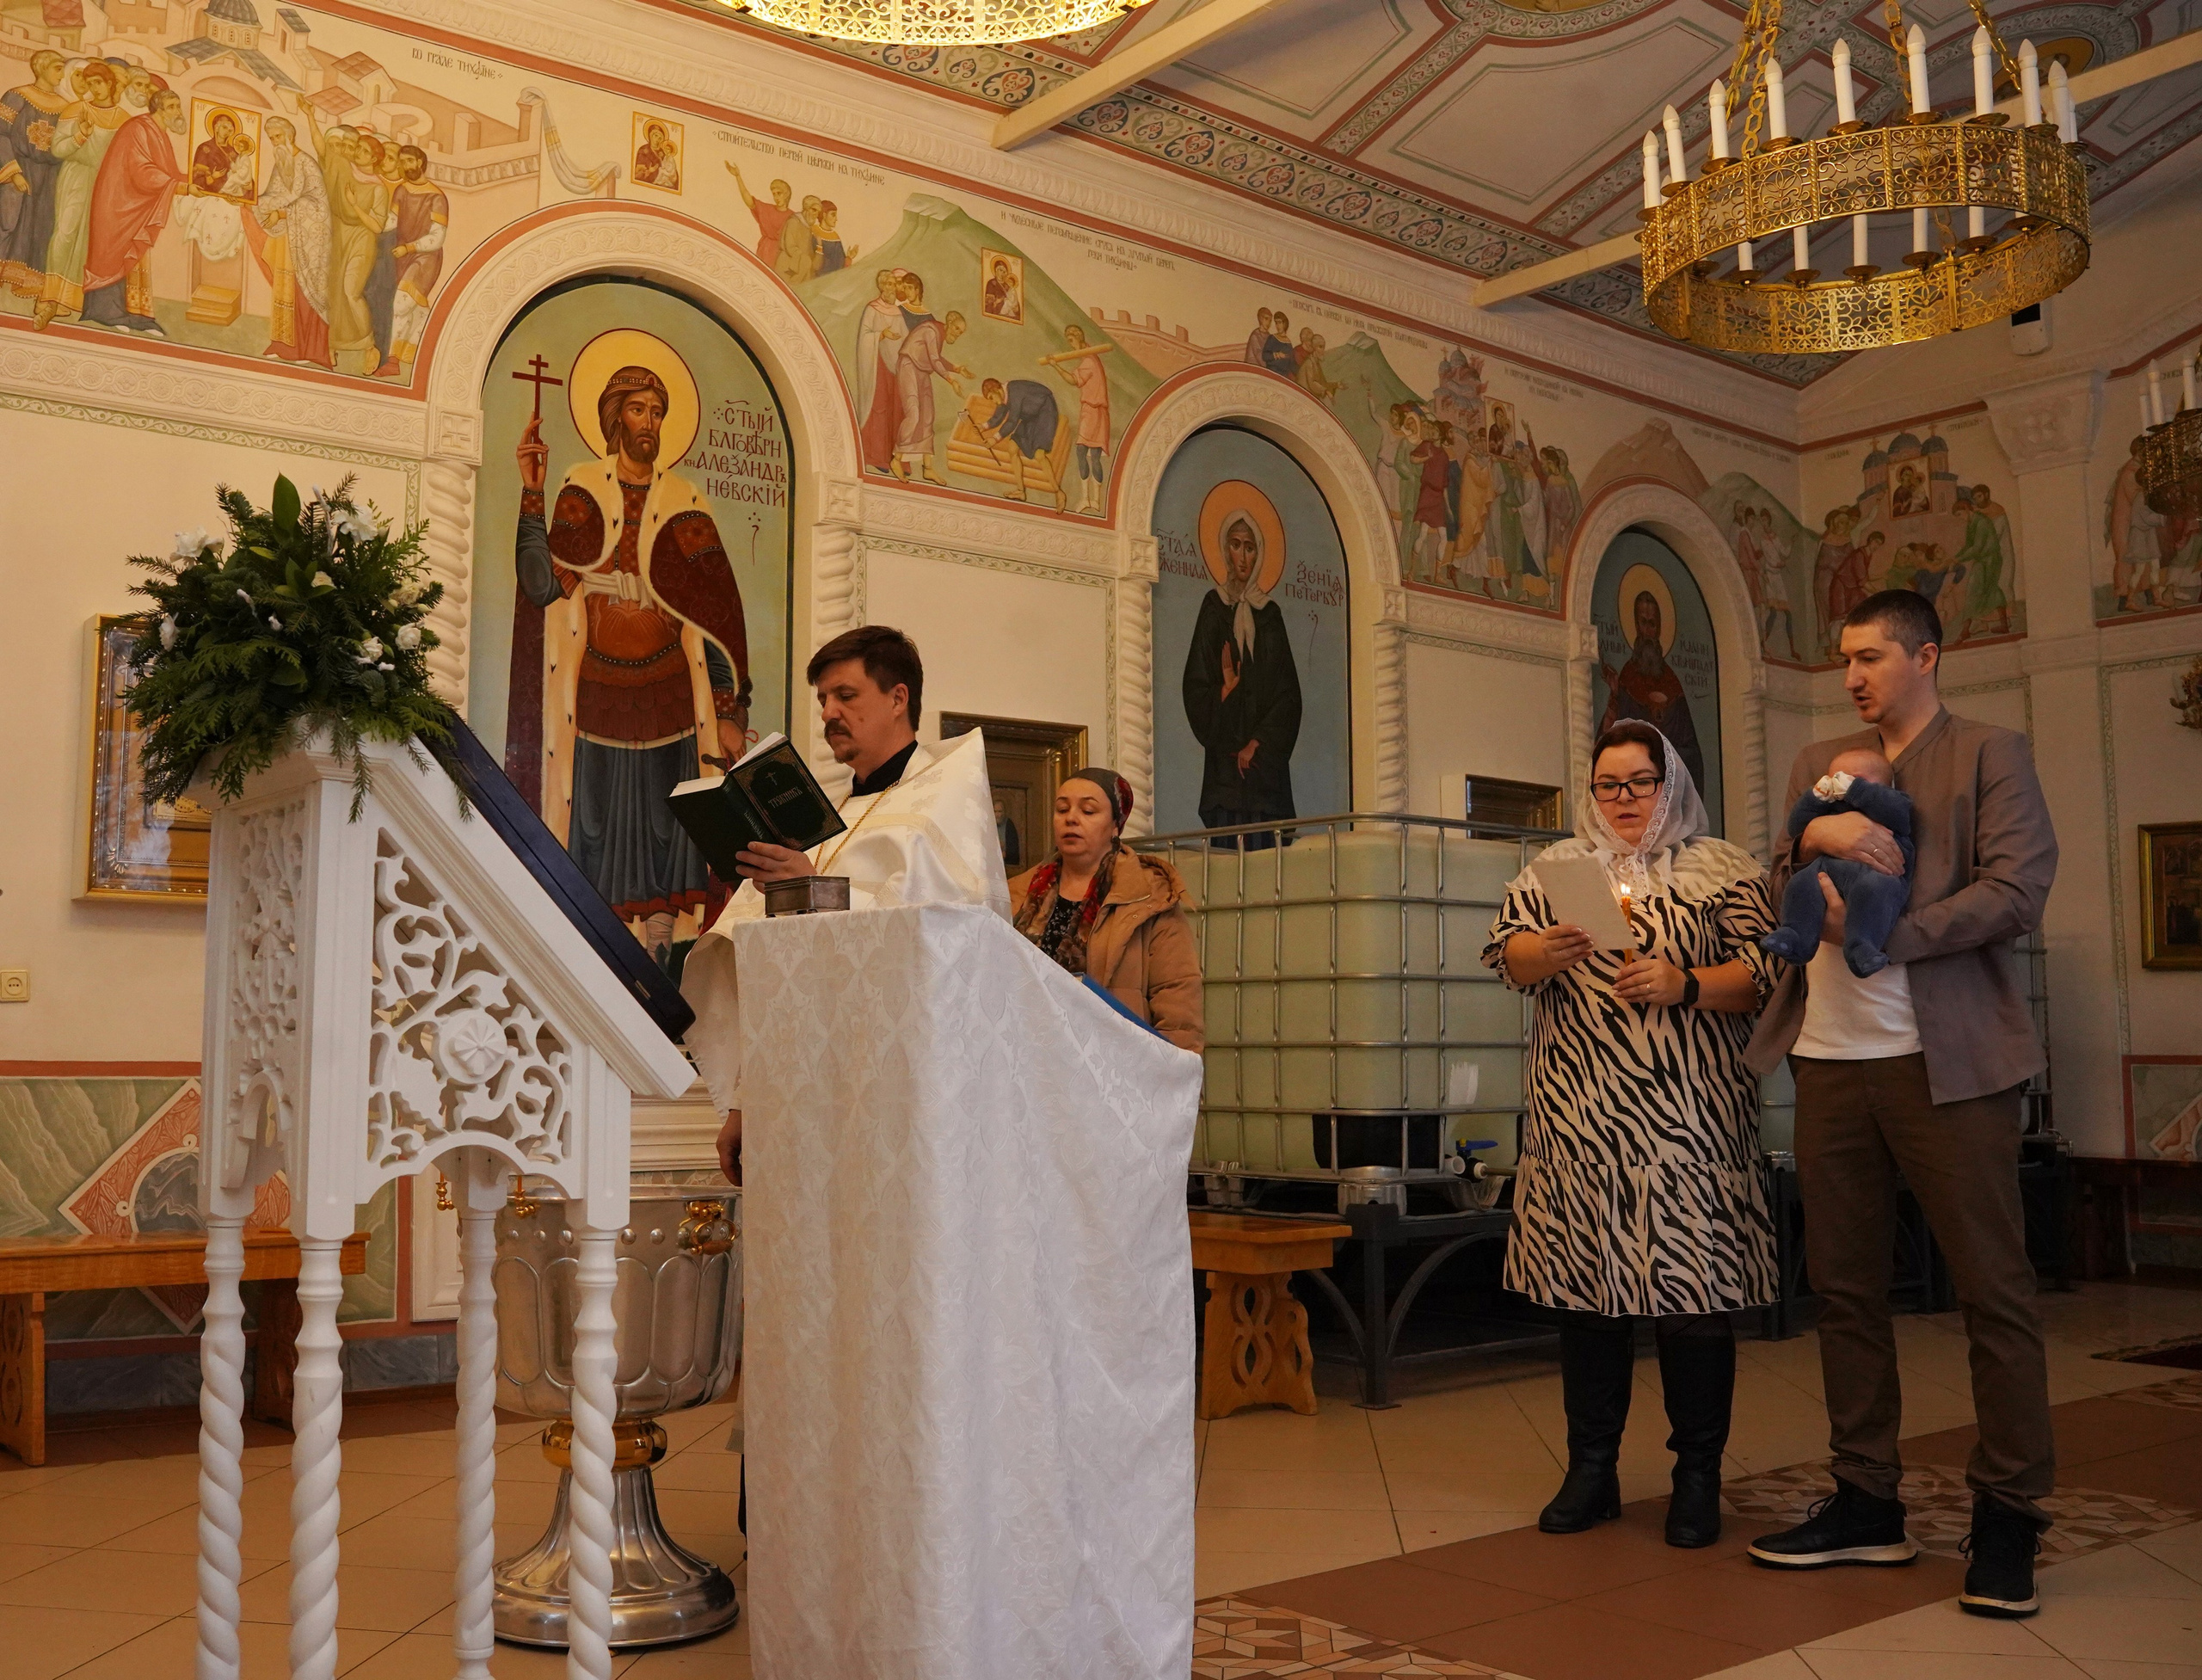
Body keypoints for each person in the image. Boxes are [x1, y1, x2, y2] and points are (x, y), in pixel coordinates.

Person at [1744, 590, 2059, 1620]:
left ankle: (2008, 1514)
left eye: (1872, 656)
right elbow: (1775, 870)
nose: (1853, 676)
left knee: (1990, 1290)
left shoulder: (1988, 753)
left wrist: (1890, 933)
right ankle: (1866, 1501)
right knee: (1842, 1290)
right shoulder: (1815, 762)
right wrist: (1814, 861)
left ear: (1927, 655)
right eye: (1845, 659)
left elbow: (2017, 889)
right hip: (1830, 1057)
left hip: (1948, 1059)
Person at [1485, 719, 1778, 1548]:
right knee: (1588, 1299)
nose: (1622, 800)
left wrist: (1684, 982)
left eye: (1639, 782)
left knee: (1692, 1300)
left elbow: (1769, 975)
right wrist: (1544, 947)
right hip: (1581, 1119)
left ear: (1670, 782)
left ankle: (1697, 1476)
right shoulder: (1557, 869)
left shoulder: (1723, 868)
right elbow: (1507, 960)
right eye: (1608, 785)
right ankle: (1592, 1469)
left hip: (1692, 1119)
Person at [684, 625, 1010, 1181]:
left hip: (897, 1096)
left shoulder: (944, 803)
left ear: (898, 697)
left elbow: (952, 942)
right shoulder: (819, 817)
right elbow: (773, 973)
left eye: (846, 695)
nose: (830, 711)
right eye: (823, 700)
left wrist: (812, 889)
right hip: (799, 1089)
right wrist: (745, 1100)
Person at [511, 364, 752, 961]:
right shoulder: (583, 487)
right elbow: (542, 582)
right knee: (598, 821)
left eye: (659, 412)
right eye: (640, 410)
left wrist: (726, 710)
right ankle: (601, 952)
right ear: (616, 416)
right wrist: (532, 489)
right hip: (599, 691)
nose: (651, 423)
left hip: (673, 691)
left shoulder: (683, 501)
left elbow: (716, 614)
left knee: (668, 825)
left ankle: (666, 953)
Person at [1009, 768, 1202, 1051]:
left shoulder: (1150, 897)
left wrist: (1174, 1082)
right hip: (1027, 1058)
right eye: (1062, 809)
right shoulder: (1016, 893)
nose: (1071, 818)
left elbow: (1178, 1005)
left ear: (1115, 825)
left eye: (1088, 810)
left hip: (1114, 1065)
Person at [1183, 502, 1301, 836]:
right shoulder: (1212, 609)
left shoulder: (1270, 615)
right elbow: (1194, 686)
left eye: (1250, 547)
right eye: (1236, 545)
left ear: (1260, 554)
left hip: (1266, 775)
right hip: (1225, 774)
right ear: (1224, 550)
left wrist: (1258, 742)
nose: (1243, 556)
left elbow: (1288, 695)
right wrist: (1224, 692)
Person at [1761, 748, 1914, 977]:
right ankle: (1794, 936)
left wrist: (1857, 790)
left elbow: (1899, 815)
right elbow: (1796, 828)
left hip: (1877, 873)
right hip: (1826, 868)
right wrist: (1814, 799)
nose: (1838, 785)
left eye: (1848, 778)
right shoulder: (1829, 808)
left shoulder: (1891, 800)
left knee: (1876, 893)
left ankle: (1863, 947)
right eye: (1834, 778)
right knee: (1801, 883)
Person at [79, 84, 184, 336]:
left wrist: (199, 181)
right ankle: (105, 312)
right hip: (118, 205)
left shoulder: (159, 133)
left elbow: (169, 173)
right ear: (158, 109)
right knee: (112, 255)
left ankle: (138, 315)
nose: (178, 112)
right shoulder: (138, 128)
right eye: (172, 107)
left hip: (137, 207)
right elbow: (142, 171)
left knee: (135, 260)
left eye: (178, 106)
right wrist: (183, 186)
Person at [1599, 588, 1706, 794]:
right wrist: (1614, 696)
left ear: (1659, 628)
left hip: (1668, 794)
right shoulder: (1627, 678)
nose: (1647, 631)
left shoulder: (1672, 683)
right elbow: (1606, 745)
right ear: (1636, 625)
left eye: (1652, 624)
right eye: (1643, 623)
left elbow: (1692, 751)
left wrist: (1664, 757)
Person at [249, 115, 331, 366]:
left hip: (308, 242)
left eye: (277, 137)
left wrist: (284, 213)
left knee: (303, 292)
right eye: (271, 138)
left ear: (290, 136)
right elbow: (273, 195)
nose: (275, 142)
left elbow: (319, 208)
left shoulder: (306, 164)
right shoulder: (281, 165)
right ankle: (284, 344)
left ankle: (308, 349)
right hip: (287, 236)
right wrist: (249, 198)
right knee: (283, 290)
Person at [377, 145, 446, 381]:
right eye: (402, 162)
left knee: (402, 303)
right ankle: (418, 351)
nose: (405, 167)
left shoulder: (436, 196)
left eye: (409, 161)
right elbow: (392, 221)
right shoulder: (401, 191)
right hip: (401, 254)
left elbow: (437, 238)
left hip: (425, 258)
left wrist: (410, 247)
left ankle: (393, 361)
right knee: (415, 309)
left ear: (420, 163)